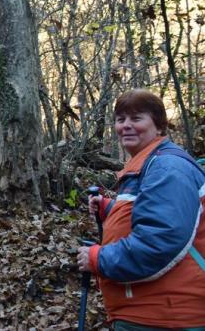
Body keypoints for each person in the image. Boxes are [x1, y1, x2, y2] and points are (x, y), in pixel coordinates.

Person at [76, 89, 205, 330]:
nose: (126, 126)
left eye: (136, 118)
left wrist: (98, 258)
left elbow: (159, 242)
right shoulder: (151, 163)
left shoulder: (166, 167)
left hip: (168, 316)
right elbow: (156, 214)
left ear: (159, 126)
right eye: (120, 119)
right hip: (154, 309)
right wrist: (111, 209)